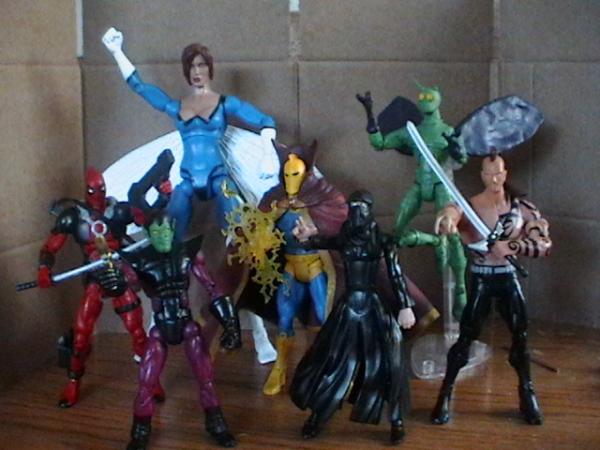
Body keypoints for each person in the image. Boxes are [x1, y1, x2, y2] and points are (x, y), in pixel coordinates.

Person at [102, 27, 276, 240]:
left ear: (209, 68)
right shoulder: (176, 107)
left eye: (201, 65)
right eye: (191, 66)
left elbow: (265, 121)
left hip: (218, 177)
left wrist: (268, 154)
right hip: (186, 178)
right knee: (168, 233)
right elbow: (140, 86)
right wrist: (117, 52)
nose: (196, 71)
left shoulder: (225, 104)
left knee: (238, 230)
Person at [430, 154, 552, 426]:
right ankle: (446, 392)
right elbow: (453, 212)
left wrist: (513, 246)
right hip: (482, 277)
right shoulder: (471, 205)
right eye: (489, 174)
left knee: (520, 336)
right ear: (482, 176)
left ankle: (527, 391)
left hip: (508, 276)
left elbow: (543, 244)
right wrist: (447, 218)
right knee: (465, 337)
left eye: (498, 173)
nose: (494, 179)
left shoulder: (522, 209)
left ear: (505, 174)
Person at [290, 190, 416, 445]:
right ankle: (319, 412)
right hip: (348, 306)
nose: (357, 212)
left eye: (362, 207)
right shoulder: (344, 238)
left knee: (389, 361)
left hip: (373, 305)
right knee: (331, 359)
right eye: (353, 206)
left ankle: (395, 419)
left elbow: (395, 273)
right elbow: (316, 242)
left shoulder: (382, 240)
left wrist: (405, 305)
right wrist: (305, 238)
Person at [37, 168, 162, 408]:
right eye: (93, 191)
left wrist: (162, 197)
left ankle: (152, 380)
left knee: (138, 332)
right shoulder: (73, 217)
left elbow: (149, 219)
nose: (98, 195)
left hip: (119, 273)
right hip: (94, 277)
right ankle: (73, 381)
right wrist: (44, 268)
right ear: (86, 191)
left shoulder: (119, 211)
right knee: (81, 336)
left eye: (101, 190)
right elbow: (49, 248)